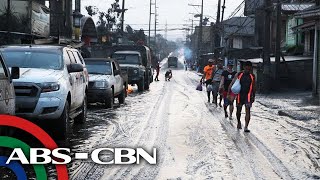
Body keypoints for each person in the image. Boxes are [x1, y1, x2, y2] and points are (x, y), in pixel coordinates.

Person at [229, 61, 256, 132]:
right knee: (238, 111)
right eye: (246, 68)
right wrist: (230, 93)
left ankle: (246, 126)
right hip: (239, 96)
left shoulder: (252, 76)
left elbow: (253, 86)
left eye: (249, 68)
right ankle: (238, 122)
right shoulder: (239, 74)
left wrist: (253, 96)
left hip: (248, 96)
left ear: (250, 68)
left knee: (248, 111)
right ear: (244, 67)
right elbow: (233, 83)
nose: (247, 69)